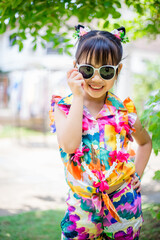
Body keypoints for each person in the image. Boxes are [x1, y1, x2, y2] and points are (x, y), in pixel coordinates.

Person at [49, 24, 152, 240]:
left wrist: (138, 175)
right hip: (81, 207)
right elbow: (69, 146)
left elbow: (144, 143)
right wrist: (77, 96)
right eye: (88, 70)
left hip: (123, 203)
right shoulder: (63, 107)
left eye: (106, 71)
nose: (96, 79)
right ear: (75, 68)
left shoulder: (124, 110)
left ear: (118, 71)